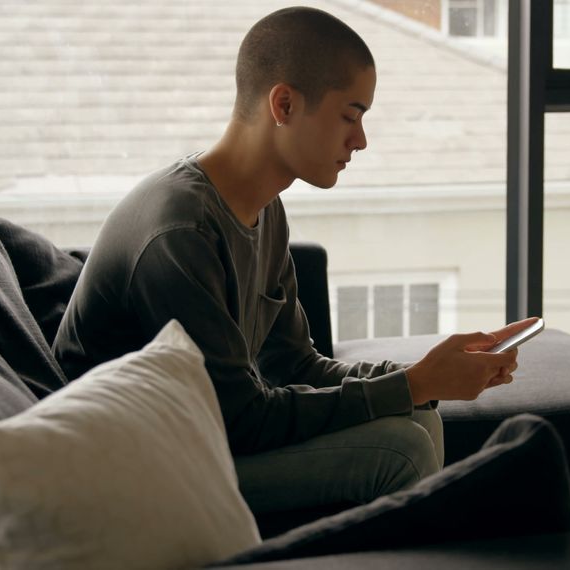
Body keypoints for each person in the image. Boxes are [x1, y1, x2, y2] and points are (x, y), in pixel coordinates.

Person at [52, 6, 537, 518]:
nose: (361, 140)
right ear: (283, 104)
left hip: (197, 437)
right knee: (404, 449)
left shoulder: (262, 208)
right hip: (130, 466)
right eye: (350, 116)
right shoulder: (180, 230)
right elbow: (241, 418)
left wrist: (426, 374)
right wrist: (415, 383)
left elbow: (293, 365)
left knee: (419, 418)